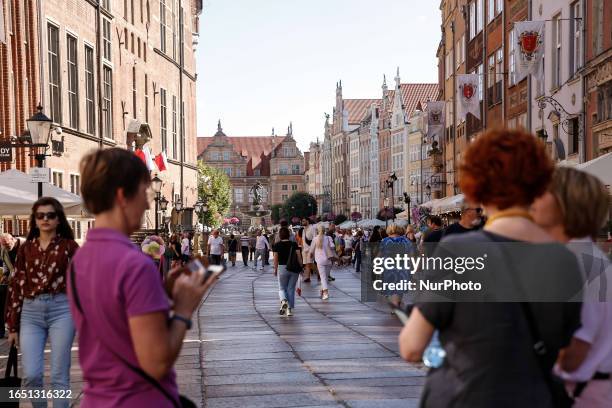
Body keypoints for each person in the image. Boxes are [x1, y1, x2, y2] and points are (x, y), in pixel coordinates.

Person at [398, 129, 583, 407]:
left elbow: (412, 347)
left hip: (465, 396)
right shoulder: (564, 259)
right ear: (538, 183)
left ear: (477, 186)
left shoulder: (458, 251)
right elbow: (571, 357)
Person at [69, 147, 216, 407]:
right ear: (122, 196)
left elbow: (116, 324)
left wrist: (164, 295)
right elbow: (156, 362)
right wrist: (183, 308)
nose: (148, 202)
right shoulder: (135, 264)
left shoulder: (80, 260)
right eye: (144, 192)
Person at [531, 167, 612, 407]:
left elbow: (574, 352)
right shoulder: (584, 256)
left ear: (563, 204)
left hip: (577, 394)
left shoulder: (576, 262)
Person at [6, 197, 79, 408]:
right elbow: (16, 285)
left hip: (62, 310)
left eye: (51, 215)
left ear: (59, 220)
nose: (45, 219)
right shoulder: (26, 249)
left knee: (59, 374)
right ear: (35, 220)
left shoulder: (69, 247)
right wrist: (13, 325)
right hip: (30, 312)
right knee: (31, 374)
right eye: (40, 215)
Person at [379, 224, 415, 309]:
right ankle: (397, 303)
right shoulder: (406, 241)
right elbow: (412, 255)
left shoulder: (384, 241)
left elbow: (379, 255)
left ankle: (395, 305)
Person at [272, 227, 303, 316]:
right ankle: (289, 309)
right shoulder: (294, 244)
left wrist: (275, 269)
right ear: (289, 235)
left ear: (280, 235)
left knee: (282, 288)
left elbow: (275, 258)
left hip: (282, 268)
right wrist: (301, 267)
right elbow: (299, 256)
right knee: (291, 289)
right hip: (294, 268)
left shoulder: (277, 245)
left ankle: (284, 300)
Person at [1, 233, 22, 338]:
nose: (7, 248)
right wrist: (5, 273)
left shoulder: (25, 245)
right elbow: (5, 262)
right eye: (4, 246)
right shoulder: (4, 248)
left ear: (13, 240)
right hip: (12, 280)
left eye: (8, 245)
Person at [310, 225, 335, 300]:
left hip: (320, 260)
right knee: (325, 277)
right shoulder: (328, 238)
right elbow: (333, 246)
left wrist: (310, 256)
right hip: (329, 259)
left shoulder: (315, 239)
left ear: (318, 231)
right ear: (325, 230)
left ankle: (325, 292)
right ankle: (322, 291)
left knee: (323, 277)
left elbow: (311, 250)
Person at [301, 218, 316, 282]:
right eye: (302, 221)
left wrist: (312, 250)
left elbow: (315, 239)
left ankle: (308, 277)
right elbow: (303, 240)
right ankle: (308, 277)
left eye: (303, 221)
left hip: (310, 249)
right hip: (305, 249)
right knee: (306, 264)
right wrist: (302, 248)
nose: (302, 222)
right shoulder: (303, 230)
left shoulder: (312, 228)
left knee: (309, 263)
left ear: (307, 221)